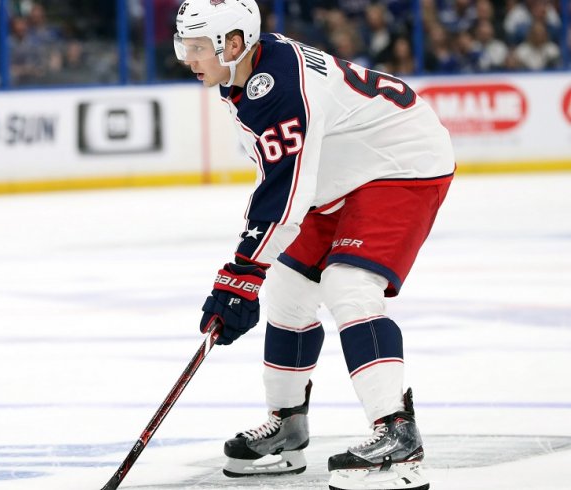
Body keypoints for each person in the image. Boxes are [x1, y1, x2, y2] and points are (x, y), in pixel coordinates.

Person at [174, 1, 454, 489]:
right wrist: (251, 272)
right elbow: (281, 182)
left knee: (348, 283)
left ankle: (397, 434)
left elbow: (285, 191)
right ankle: (288, 424)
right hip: (341, 174)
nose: (186, 57)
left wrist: (239, 273)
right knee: (287, 284)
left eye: (196, 47)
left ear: (232, 43)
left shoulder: (278, 87)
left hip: (401, 161)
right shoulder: (244, 74)